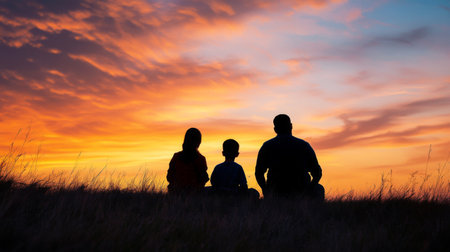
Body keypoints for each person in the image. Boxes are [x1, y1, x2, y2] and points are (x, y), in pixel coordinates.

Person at [255, 114, 324, 200]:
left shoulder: (267, 146)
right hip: (301, 192)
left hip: (276, 192)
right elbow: (317, 172)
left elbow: (258, 173)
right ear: (291, 126)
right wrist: (310, 188)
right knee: (319, 189)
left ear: (275, 129)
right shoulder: (304, 145)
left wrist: (266, 189)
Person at [167, 128, 209, 193]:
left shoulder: (176, 156)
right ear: (198, 142)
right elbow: (204, 179)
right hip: (194, 194)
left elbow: (169, 177)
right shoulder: (200, 159)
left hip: (175, 193)